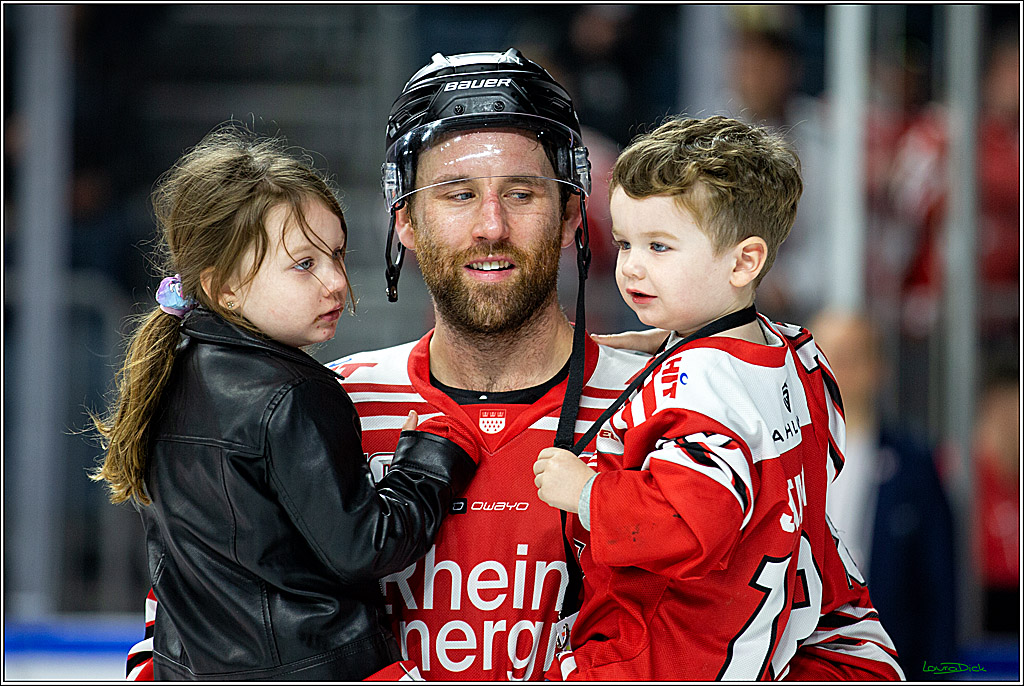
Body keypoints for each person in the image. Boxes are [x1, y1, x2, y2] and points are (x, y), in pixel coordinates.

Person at [127, 50, 909, 682]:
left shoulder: (679, 400)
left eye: (523, 193)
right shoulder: (322, 404)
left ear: (575, 214)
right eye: (458, 193)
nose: (492, 226)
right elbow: (187, 637)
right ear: (404, 221)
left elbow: (842, 634)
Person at [90, 125, 478, 680]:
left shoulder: (170, 366)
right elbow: (364, 547)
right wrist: (427, 461)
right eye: (304, 264)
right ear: (223, 286)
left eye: (337, 256)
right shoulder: (292, 394)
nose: (337, 283)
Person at [532, 116, 905, 680]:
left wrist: (587, 492)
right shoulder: (798, 353)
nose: (631, 265)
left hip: (676, 658)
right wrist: (669, 343)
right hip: (794, 633)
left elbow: (687, 526)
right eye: (628, 242)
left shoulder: (701, 385)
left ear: (743, 261)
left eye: (660, 246)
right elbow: (822, 452)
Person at [810, 308, 956, 681]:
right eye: (826, 356)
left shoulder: (913, 464)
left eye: (852, 356)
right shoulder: (774, 458)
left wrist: (936, 672)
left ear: (878, 368)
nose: (838, 367)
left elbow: (939, 586)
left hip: (887, 657)